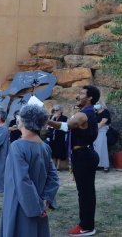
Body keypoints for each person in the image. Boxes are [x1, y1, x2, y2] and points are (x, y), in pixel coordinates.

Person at [47, 85, 100, 236]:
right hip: (85, 154)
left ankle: (87, 227)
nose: (78, 96)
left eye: (81, 94)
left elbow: (65, 126)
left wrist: (46, 120)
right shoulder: (86, 113)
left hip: (83, 156)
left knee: (85, 193)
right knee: (86, 192)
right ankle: (87, 223)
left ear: (90, 98)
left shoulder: (83, 115)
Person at [0, 104, 60, 237]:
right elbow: (54, 177)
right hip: (39, 203)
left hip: (21, 204)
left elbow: (23, 181)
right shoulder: (45, 147)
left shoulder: (17, 146)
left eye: (19, 117)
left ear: (24, 121)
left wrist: (36, 208)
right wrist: (46, 199)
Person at [47, 105, 68, 171]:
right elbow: (48, 124)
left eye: (57, 110)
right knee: (52, 150)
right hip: (52, 136)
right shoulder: (51, 117)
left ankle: (58, 167)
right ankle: (53, 166)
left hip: (60, 135)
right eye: (54, 110)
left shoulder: (64, 118)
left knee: (59, 150)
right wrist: (53, 117)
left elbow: (64, 126)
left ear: (60, 111)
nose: (56, 111)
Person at [93, 102, 111, 172]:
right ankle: (98, 164)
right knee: (96, 148)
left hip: (102, 131)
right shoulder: (95, 112)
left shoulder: (105, 111)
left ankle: (106, 165)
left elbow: (103, 121)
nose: (96, 104)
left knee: (103, 148)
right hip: (96, 131)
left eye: (97, 103)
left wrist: (96, 128)